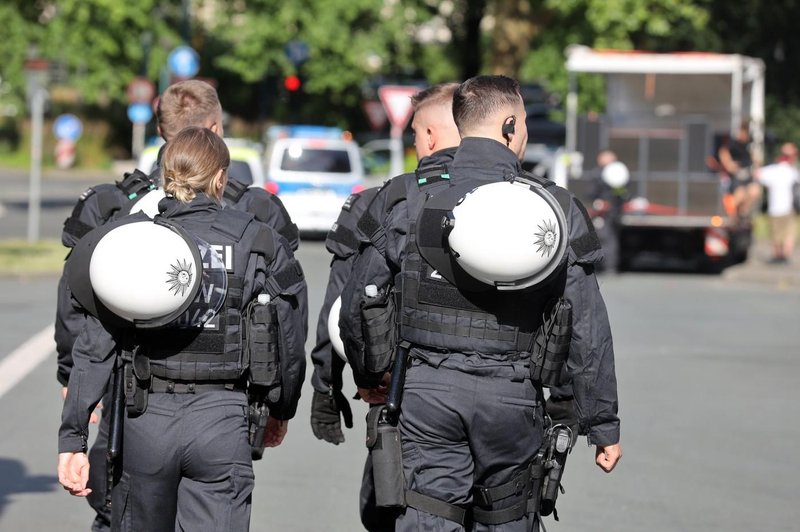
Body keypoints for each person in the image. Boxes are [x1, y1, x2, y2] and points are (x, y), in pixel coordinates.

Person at [339, 75, 621, 531]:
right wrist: (601, 423)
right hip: (513, 398)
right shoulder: (554, 208)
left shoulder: (408, 200)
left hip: (426, 394)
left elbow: (360, 301)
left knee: (427, 516)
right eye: (524, 123)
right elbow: (587, 325)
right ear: (510, 125)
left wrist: (372, 376)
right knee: (507, 517)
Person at [53, 79, 299, 532]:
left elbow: (94, 339)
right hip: (224, 421)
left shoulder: (132, 239)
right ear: (221, 177)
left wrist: (74, 434)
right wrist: (280, 409)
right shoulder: (256, 237)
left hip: (146, 419)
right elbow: (286, 329)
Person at [308, 82, 461, 532]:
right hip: (502, 401)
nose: (414, 142)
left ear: (430, 136)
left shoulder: (381, 200)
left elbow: (343, 301)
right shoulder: (518, 199)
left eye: (415, 132)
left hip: (397, 391)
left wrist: (327, 386)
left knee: (390, 511)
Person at [755, 142, 799, 263]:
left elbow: (757, 174)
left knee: (775, 234)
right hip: (789, 208)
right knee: (789, 233)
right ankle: (785, 255)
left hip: (774, 208)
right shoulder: (793, 172)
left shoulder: (772, 170)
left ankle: (777, 255)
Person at [590, 149, 630, 273]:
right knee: (608, 237)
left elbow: (591, 192)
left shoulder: (605, 174)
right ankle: (607, 266)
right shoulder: (617, 173)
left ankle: (608, 266)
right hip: (611, 211)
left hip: (606, 212)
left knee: (606, 238)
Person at [717, 122, 761, 217]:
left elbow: (753, 157)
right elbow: (723, 152)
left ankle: (743, 212)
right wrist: (729, 164)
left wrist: (756, 165)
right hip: (737, 175)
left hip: (747, 173)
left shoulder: (748, 144)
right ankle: (730, 215)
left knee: (755, 191)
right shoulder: (733, 143)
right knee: (739, 194)